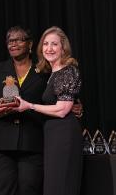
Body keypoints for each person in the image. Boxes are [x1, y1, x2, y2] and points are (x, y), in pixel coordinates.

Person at [0, 26, 83, 195]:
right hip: (2, 144)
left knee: (32, 188)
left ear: (30, 44)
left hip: (34, 143)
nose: (13, 44)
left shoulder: (44, 70)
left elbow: (62, 96)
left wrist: (76, 105)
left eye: (19, 39)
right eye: (10, 41)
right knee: (6, 190)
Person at [14, 26, 83, 195]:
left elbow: (62, 110)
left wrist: (29, 105)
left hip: (64, 135)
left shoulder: (68, 71)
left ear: (63, 48)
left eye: (54, 44)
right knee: (54, 186)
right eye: (45, 44)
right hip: (54, 135)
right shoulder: (53, 73)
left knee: (61, 185)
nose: (49, 48)